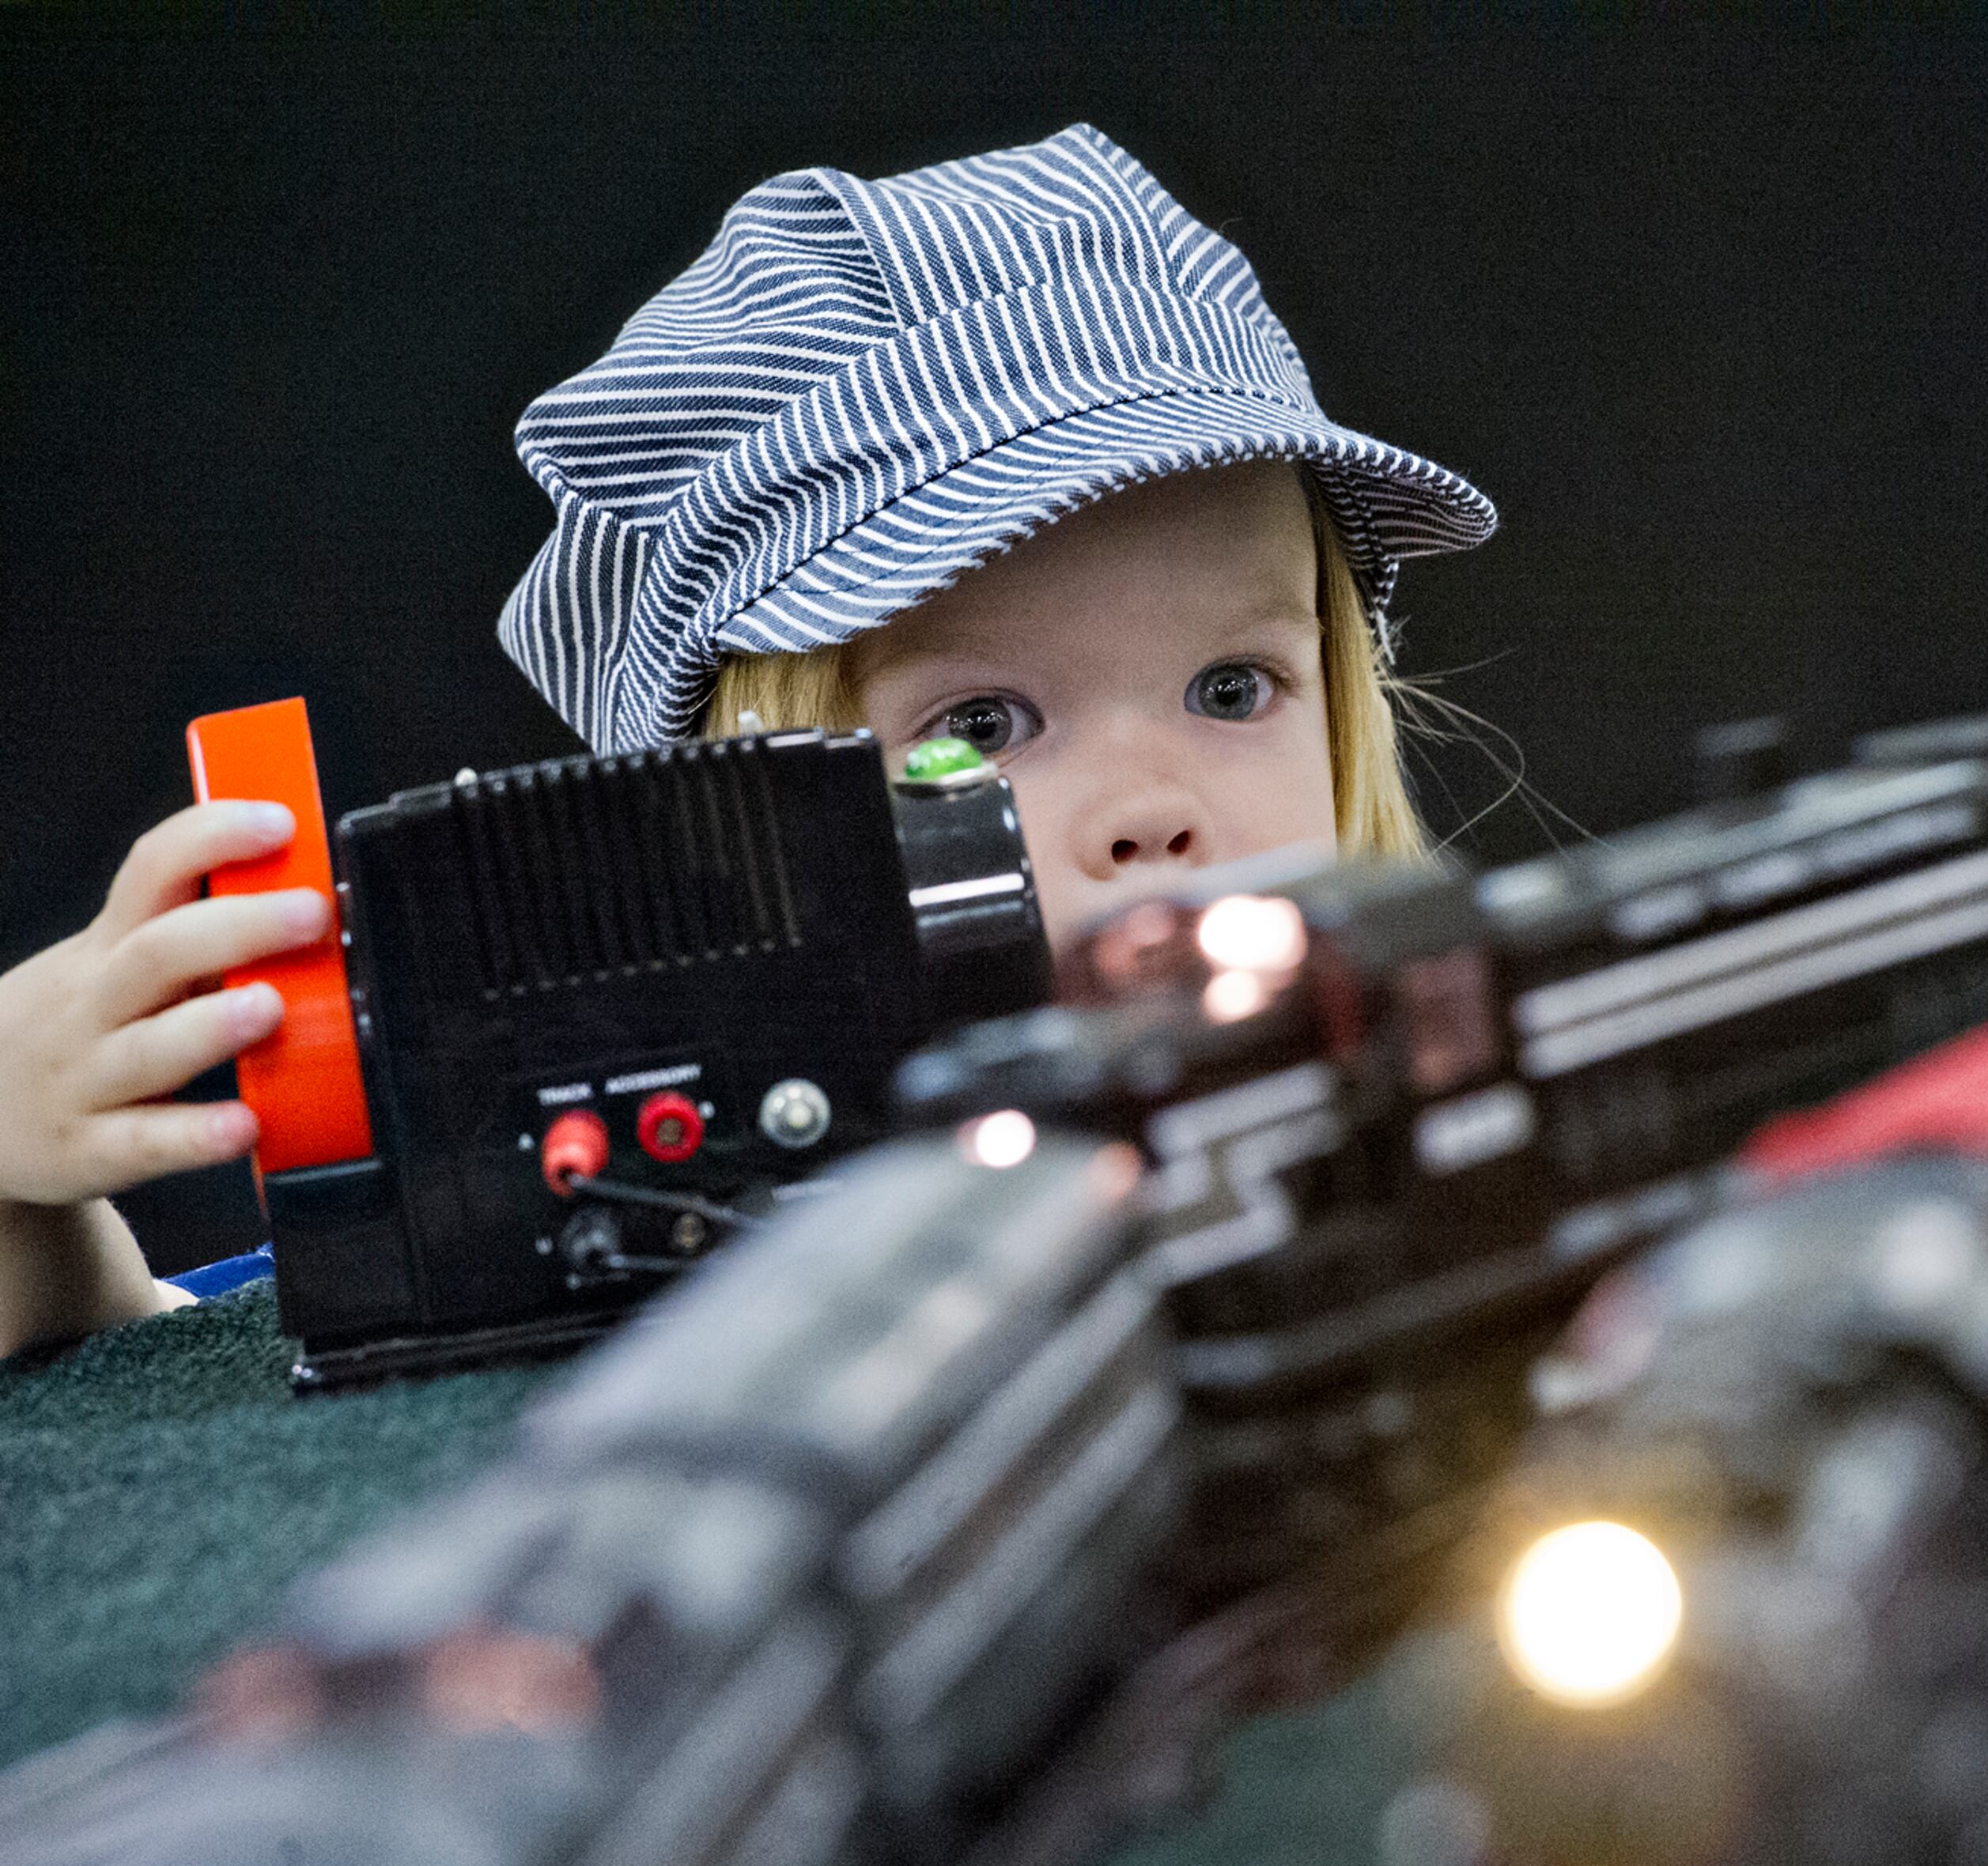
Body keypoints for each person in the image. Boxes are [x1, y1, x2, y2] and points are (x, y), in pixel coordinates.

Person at [0, 124, 1495, 1355]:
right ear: (710, 851)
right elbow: (165, 1394)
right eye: (982, 725)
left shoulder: (1480, 1123)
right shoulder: (625, 1246)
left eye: (1233, 688)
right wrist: (28, 1212)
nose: (1151, 810)